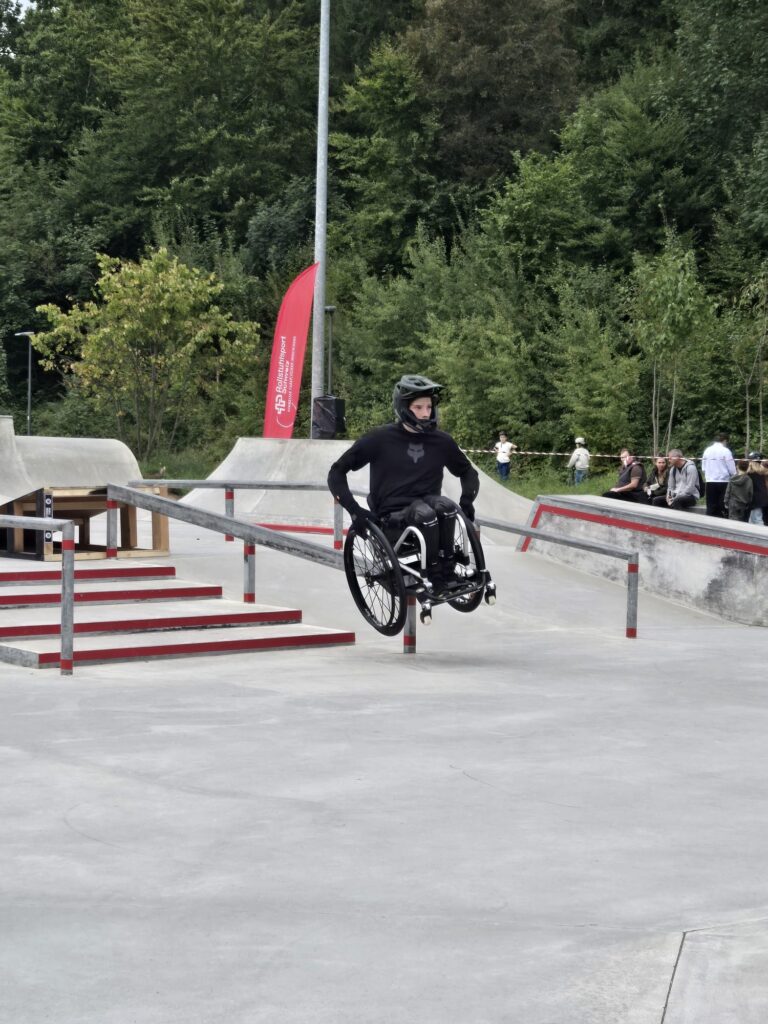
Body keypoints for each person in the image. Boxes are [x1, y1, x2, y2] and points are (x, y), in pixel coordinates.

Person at [327, 374, 480, 595]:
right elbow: (336, 472)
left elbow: (467, 471)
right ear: (404, 408)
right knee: (425, 514)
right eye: (419, 407)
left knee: (446, 508)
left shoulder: (441, 441)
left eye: (429, 407)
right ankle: (435, 576)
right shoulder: (380, 439)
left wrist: (467, 501)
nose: (426, 413)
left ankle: (447, 571)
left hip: (429, 507)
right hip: (392, 517)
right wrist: (355, 511)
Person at [701, 432, 736, 517]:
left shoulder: (707, 450)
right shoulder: (726, 451)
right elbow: (731, 468)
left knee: (711, 506)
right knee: (722, 505)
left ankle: (709, 522)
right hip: (723, 481)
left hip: (710, 481)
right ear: (725, 441)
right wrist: (734, 475)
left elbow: (703, 468)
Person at [746, 452, 768, 525]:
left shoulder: (750, 473)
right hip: (762, 497)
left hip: (756, 498)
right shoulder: (763, 471)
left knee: (757, 519)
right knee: (753, 519)